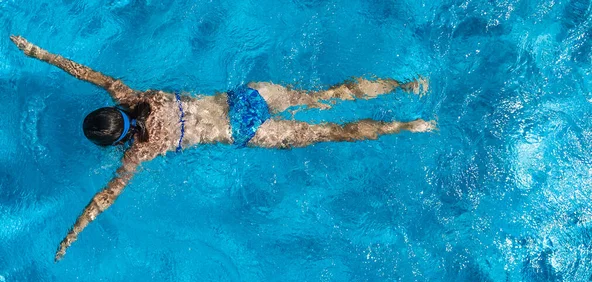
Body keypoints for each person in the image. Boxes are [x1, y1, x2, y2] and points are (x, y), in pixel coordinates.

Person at [10, 35, 436, 261]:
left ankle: (406, 125)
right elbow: (82, 71)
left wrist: (71, 236)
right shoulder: (127, 93)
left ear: (115, 140)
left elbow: (103, 199)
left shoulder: (137, 153)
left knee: (328, 132)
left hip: (244, 132)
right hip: (245, 98)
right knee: (329, 94)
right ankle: (406, 85)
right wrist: (35, 51)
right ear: (113, 111)